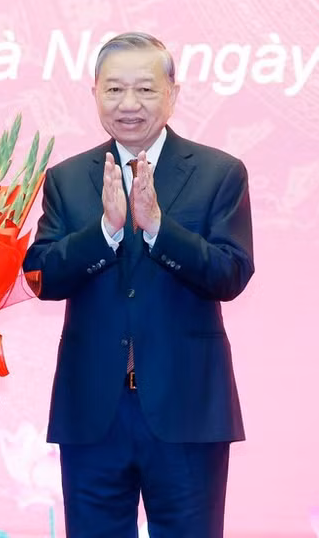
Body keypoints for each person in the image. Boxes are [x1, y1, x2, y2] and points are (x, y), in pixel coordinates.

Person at [22, 32, 255, 537]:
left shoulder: (219, 173)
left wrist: (157, 229)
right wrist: (104, 233)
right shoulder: (67, 177)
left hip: (187, 408)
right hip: (93, 412)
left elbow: (231, 274)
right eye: (115, 90)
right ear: (95, 94)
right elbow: (40, 276)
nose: (129, 104)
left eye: (146, 90)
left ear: (173, 92)